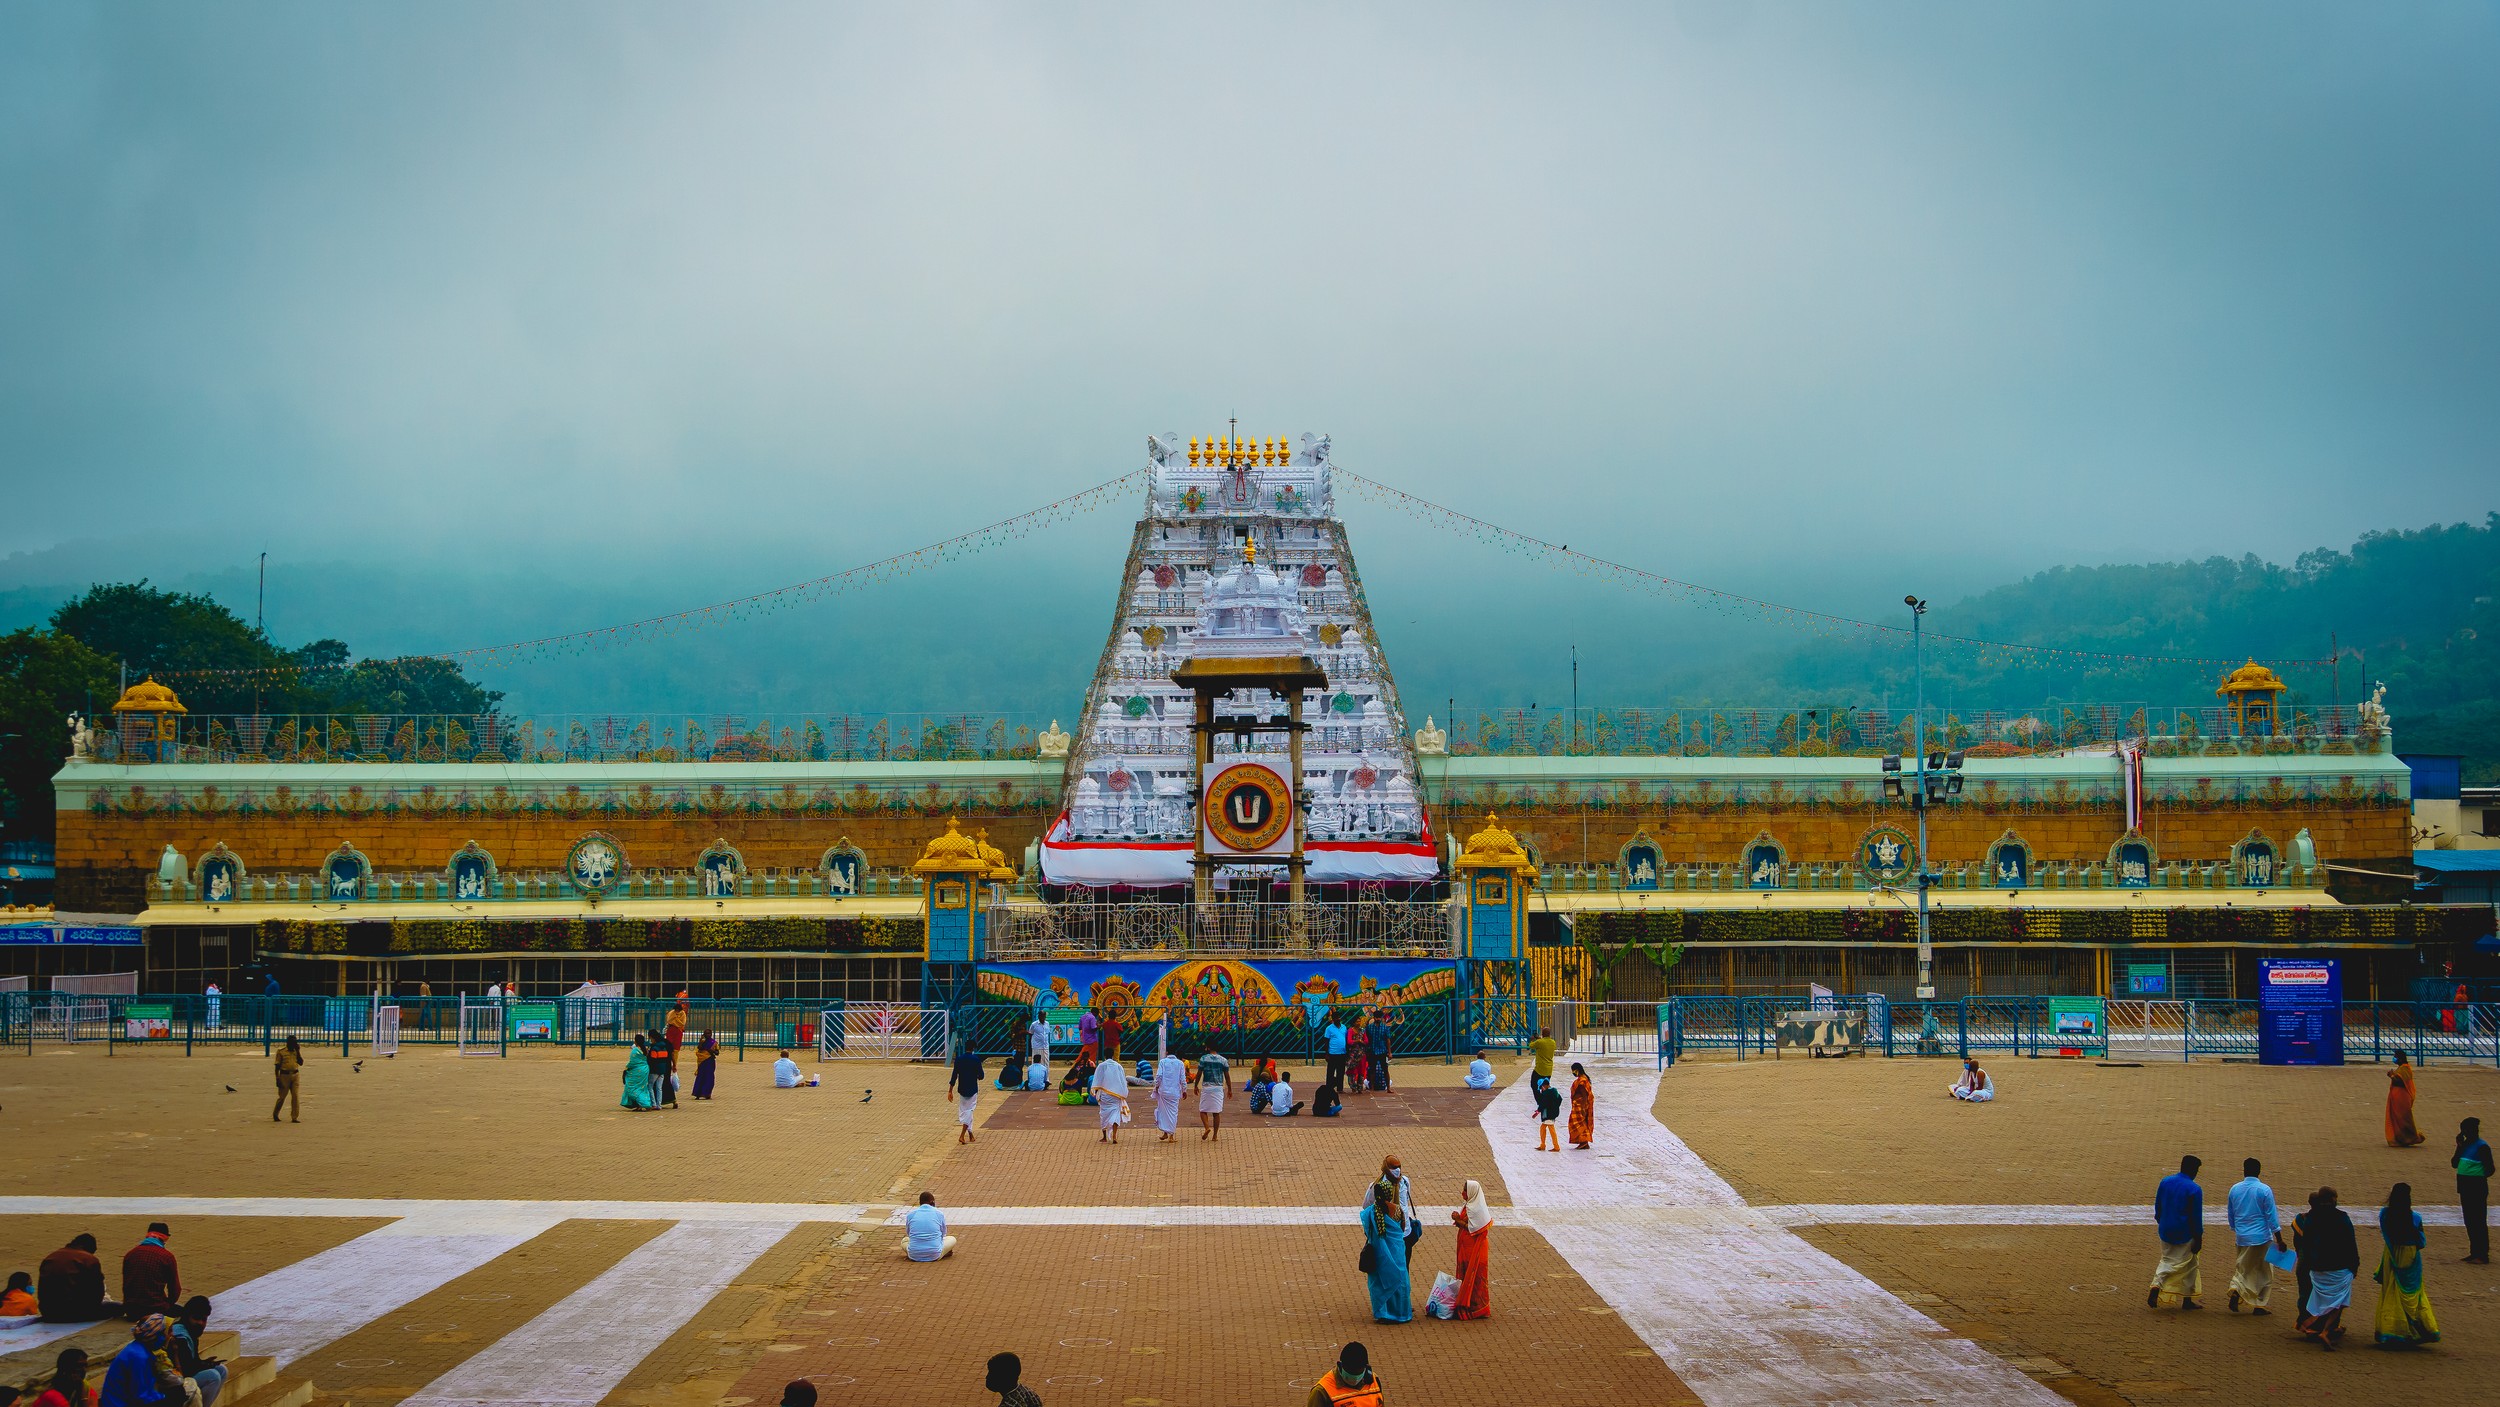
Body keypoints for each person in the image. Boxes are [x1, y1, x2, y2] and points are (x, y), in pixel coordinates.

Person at [2372, 1182, 2441, 1347]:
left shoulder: (2384, 1214)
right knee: (2414, 1292)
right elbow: (2421, 1242)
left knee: (2391, 1290)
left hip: (2392, 1255)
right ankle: (2416, 1329)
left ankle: (2392, 1330)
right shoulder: (2415, 1218)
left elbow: (2386, 1234)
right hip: (2410, 1255)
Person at [2294, 1186, 2360, 1348]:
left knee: (2314, 1299)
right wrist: (2355, 1265)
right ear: (2332, 1199)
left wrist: (2308, 1263)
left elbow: (2305, 1244)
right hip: (2339, 1267)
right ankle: (2327, 1329)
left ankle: (2308, 1326)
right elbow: (2350, 1243)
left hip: (2316, 1268)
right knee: (2339, 1301)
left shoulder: (2308, 1219)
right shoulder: (2342, 1218)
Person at [2226, 1158, 2284, 1315]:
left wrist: (2236, 1229)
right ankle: (2259, 1305)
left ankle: (2237, 1288)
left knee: (2243, 1268)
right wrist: (2279, 1239)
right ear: (2259, 1171)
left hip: (2242, 1237)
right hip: (2262, 1238)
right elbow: (2271, 1216)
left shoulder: (2234, 1189)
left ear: (2244, 1170)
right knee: (2265, 1271)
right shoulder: (2264, 1190)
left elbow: (2231, 1213)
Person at [2149, 1155, 2204, 1311]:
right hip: (2185, 1232)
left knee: (2168, 1258)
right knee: (2189, 1264)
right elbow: (2196, 1216)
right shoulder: (2194, 1189)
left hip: (2165, 1229)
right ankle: (2161, 1286)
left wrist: (2161, 1220)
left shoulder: (2165, 1182)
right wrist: (2198, 1237)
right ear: (2193, 1170)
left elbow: (2158, 1205)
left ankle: (2181, 1296)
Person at [99, 1315, 190, 1407]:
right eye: (167, 1332)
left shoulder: (140, 1349)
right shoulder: (140, 1357)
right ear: (156, 1335)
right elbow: (142, 1396)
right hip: (119, 1403)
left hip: (121, 1400)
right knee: (179, 1394)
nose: (171, 1335)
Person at [1359, 1179, 1412, 1324]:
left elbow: (1368, 1232)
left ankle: (1383, 1313)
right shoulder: (1398, 1210)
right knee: (1399, 1281)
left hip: (1379, 1254)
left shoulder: (1371, 1212)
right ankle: (1400, 1313)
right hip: (1397, 1251)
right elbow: (1402, 1228)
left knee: (1379, 1283)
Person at [39, 1235, 117, 1322]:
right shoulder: (88, 1259)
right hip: (76, 1313)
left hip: (48, 1313)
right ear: (89, 1248)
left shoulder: (51, 1257)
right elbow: (97, 1292)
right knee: (118, 1307)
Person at [1448, 1179, 1492, 1320]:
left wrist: (1458, 1220)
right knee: (1465, 1273)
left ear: (1472, 1192)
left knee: (1476, 1276)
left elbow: (1473, 1228)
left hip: (1474, 1248)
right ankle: (1467, 1303)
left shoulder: (1476, 1209)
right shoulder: (1468, 1205)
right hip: (1465, 1247)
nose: (1463, 1192)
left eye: (1465, 1190)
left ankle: (1477, 1308)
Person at [167, 1298, 224, 1407]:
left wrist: (205, 1363)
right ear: (187, 1316)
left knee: (222, 1370)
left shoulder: (191, 1332)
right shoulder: (179, 1336)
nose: (200, 1323)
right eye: (196, 1318)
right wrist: (204, 1365)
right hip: (175, 1381)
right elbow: (186, 1369)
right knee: (213, 1376)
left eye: (204, 1319)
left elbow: (193, 1361)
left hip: (187, 1374)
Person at [120, 1225, 180, 1322]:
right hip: (156, 1309)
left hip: (131, 1310)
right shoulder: (167, 1257)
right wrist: (168, 1304)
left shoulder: (130, 1254)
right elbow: (175, 1289)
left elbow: (126, 1284)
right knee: (182, 1312)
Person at [2454, 1116, 2492, 1264]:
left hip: (2477, 1188)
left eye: (2465, 1130)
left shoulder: (2482, 1147)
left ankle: (2482, 1254)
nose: (2464, 1133)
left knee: (2478, 1221)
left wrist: (2475, 1175)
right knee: (2469, 1221)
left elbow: (2490, 1169)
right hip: (2464, 1188)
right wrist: (2459, 1146)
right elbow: (2454, 1163)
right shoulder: (2464, 1146)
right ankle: (2474, 1252)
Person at [1306, 1341, 1380, 1407]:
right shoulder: (1321, 1392)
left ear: (1366, 1367)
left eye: (1358, 1372)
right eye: (1350, 1371)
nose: (1355, 1377)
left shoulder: (1374, 1381)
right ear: (1340, 1365)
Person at [1381, 1155, 1421, 1251]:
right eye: (1394, 1167)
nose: (1398, 1170)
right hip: (1389, 1235)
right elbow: (1367, 1205)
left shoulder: (1405, 1181)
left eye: (1399, 1167)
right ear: (1386, 1168)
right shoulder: (1378, 1186)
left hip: (1406, 1233)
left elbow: (1406, 1200)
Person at [903, 1192, 955, 1262]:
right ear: (932, 1202)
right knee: (952, 1239)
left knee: (904, 1240)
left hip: (914, 1255)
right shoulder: (939, 1213)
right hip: (935, 1254)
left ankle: (915, 1251)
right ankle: (943, 1252)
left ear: (920, 1202)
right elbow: (943, 1233)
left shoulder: (911, 1215)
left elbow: (909, 1233)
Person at [1092, 1048, 1131, 1142]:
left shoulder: (1101, 1066)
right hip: (1116, 1095)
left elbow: (1097, 1080)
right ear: (1113, 1054)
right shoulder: (1118, 1066)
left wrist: (1095, 1091)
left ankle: (1104, 1137)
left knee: (1104, 1114)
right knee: (1115, 1114)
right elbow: (1123, 1080)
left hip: (1104, 1095)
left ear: (1104, 1055)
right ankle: (1114, 1136)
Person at [2388, 1052, 2424, 1147]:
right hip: (2398, 1097)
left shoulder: (2405, 1069)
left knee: (2404, 1118)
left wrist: (2392, 1076)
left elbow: (2401, 1082)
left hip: (2402, 1098)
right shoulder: (2401, 1068)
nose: (2394, 1058)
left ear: (2400, 1059)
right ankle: (2402, 1138)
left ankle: (2411, 1137)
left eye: (2395, 1057)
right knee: (2398, 1118)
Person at [950, 1042, 984, 1145]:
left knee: (964, 1110)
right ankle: (962, 1135)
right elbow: (981, 1076)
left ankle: (970, 1133)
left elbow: (954, 1075)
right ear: (973, 1048)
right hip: (972, 1088)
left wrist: (950, 1090)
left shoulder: (959, 1059)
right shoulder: (976, 1059)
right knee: (970, 1111)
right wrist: (976, 1076)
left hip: (962, 1088)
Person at [1195, 1044, 1230, 1141]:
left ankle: (1207, 1127)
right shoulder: (1223, 1060)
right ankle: (1215, 1136)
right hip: (1218, 1088)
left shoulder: (1204, 1058)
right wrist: (1230, 1089)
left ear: (1209, 1047)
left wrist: (1195, 1085)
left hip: (1207, 1087)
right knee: (1216, 1112)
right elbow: (1227, 1076)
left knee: (1203, 1110)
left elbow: (1199, 1073)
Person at [1152, 1047, 1188, 1141]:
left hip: (1164, 1091)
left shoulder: (1162, 1062)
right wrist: (1184, 1090)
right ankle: (1170, 1135)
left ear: (1167, 1052)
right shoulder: (1180, 1063)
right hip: (1175, 1092)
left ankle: (1166, 1133)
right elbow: (1183, 1079)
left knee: (1163, 1112)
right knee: (1173, 1113)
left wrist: (1157, 1086)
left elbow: (1159, 1076)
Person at [622, 1037, 658, 1110]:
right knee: (642, 1087)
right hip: (645, 1070)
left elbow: (632, 1062)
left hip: (637, 1071)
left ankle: (645, 1103)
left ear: (636, 1041)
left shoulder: (635, 1051)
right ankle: (640, 1105)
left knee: (632, 1087)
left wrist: (626, 1068)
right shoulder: (645, 1049)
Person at [271, 1037, 302, 1124]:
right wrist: (277, 1078)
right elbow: (277, 1067)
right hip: (284, 1075)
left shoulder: (296, 1051)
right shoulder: (281, 1052)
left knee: (295, 1096)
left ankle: (294, 1117)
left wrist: (298, 1051)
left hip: (295, 1075)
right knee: (282, 1097)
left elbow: (301, 1062)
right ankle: (275, 1114)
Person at [1567, 1062, 1596, 1149]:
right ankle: (1583, 1142)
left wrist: (1583, 1108)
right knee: (1581, 1123)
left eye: (1573, 1071)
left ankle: (1584, 1141)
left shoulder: (1582, 1081)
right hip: (1578, 1105)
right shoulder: (1583, 1079)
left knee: (1578, 1123)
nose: (1573, 1073)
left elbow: (1584, 1095)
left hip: (1580, 1106)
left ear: (1577, 1070)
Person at [648, 1030, 677, 1108]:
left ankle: (655, 1103)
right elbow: (672, 1054)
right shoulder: (666, 1043)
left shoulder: (654, 1046)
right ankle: (672, 1100)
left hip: (656, 1066)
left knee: (654, 1085)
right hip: (666, 1065)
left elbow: (652, 1058)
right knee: (666, 1082)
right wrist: (674, 1065)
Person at [1323, 1012, 1351, 1091]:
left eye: (1338, 1017)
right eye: (1335, 1018)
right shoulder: (1329, 1028)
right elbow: (1326, 1041)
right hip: (1332, 1053)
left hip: (1342, 1053)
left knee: (1341, 1072)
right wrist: (1327, 1054)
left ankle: (1340, 1088)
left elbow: (1346, 1039)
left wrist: (1347, 1052)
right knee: (1330, 1072)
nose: (1338, 1019)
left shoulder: (1344, 1027)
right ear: (1333, 1019)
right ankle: (1328, 1088)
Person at [1534, 1078, 1563, 1152]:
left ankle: (1556, 1147)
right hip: (1553, 1113)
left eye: (1541, 1088)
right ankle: (1542, 1145)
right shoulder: (1554, 1091)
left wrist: (1538, 1111)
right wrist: (1555, 1107)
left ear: (1544, 1086)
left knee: (1551, 1129)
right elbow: (1560, 1099)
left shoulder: (1546, 1093)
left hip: (1548, 1114)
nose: (1541, 1089)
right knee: (1543, 1128)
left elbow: (1543, 1103)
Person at [1528, 1025, 1557, 1099]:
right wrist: (1539, 1038)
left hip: (1539, 1069)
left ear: (1542, 1034)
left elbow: (1531, 1045)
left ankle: (1540, 1100)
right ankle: (1546, 1101)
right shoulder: (1553, 1042)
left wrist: (1532, 1039)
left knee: (1534, 1085)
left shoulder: (1539, 1042)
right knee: (1545, 1087)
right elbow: (1545, 1043)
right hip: (1549, 1070)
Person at [690, 1032, 719, 1100]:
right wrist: (701, 1041)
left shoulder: (713, 1042)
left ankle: (707, 1093)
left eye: (709, 1033)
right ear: (704, 1034)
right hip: (702, 1061)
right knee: (700, 1076)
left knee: (709, 1077)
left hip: (710, 1061)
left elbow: (717, 1053)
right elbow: (699, 1048)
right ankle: (697, 1093)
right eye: (706, 1033)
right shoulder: (702, 1042)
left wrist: (712, 1051)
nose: (708, 1035)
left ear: (711, 1034)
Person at [1368, 1011, 1393, 1091]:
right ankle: (1372, 1087)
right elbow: (1367, 1039)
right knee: (1372, 1069)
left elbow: (1388, 1040)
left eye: (1379, 1017)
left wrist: (1389, 1052)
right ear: (1374, 1018)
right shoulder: (1369, 1027)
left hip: (1383, 1051)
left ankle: (1388, 1087)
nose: (1378, 1019)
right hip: (1372, 1051)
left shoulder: (1385, 1027)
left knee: (1385, 1069)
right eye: (1376, 1017)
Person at [1346, 1016, 1371, 1093]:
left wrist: (1361, 1042)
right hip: (1353, 1054)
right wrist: (1357, 1041)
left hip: (1361, 1054)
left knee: (1361, 1070)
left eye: (1359, 1021)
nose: (1359, 1023)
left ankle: (1360, 1087)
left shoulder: (1362, 1031)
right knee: (1352, 1069)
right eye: (1357, 1021)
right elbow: (1349, 1041)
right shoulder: (1350, 1030)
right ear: (1354, 1023)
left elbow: (1366, 1041)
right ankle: (1353, 1086)